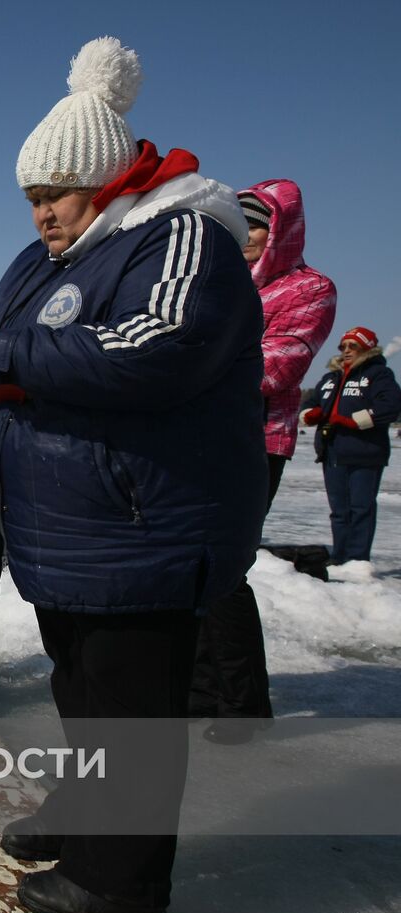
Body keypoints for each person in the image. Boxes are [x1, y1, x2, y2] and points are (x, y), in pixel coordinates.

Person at [0, 37, 265, 913]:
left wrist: (0, 348)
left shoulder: (185, 235)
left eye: (55, 195)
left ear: (109, 179)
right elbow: (9, 331)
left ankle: (122, 885)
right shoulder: (51, 256)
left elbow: (159, 351)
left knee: (132, 715)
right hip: (69, 530)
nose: (41, 214)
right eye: (31, 199)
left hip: (144, 527)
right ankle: (84, 821)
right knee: (80, 691)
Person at [190, 181, 337, 745]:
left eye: (255, 224)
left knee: (225, 570)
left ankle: (242, 705)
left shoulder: (309, 289)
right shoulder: (214, 281)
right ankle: (199, 691)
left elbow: (275, 370)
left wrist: (181, 370)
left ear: (280, 230)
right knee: (189, 568)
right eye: (239, 223)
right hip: (193, 439)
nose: (246, 235)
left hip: (253, 442)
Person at [303, 326, 400, 564]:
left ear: (367, 348)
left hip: (364, 453)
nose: (346, 350)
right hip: (332, 452)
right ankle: (339, 557)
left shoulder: (378, 375)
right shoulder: (330, 377)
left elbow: (390, 406)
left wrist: (354, 421)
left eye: (352, 346)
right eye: (343, 346)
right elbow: (311, 403)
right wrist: (310, 414)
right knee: (339, 512)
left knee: (360, 509)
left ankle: (357, 561)